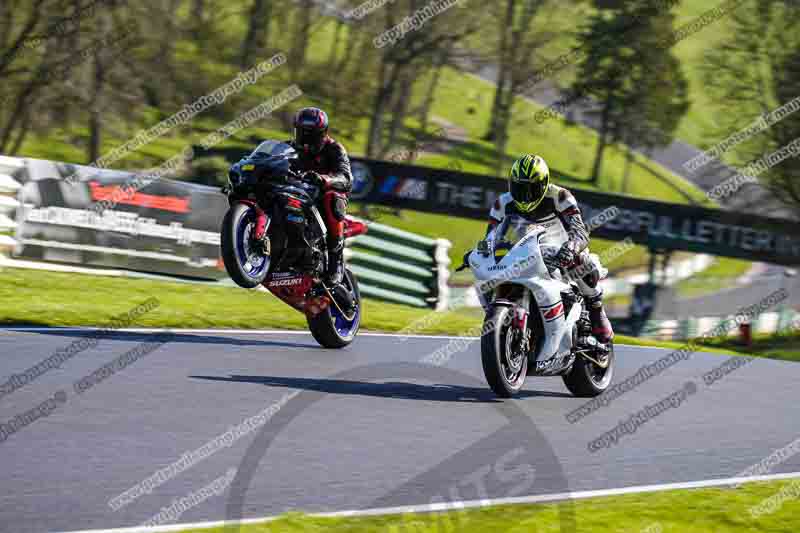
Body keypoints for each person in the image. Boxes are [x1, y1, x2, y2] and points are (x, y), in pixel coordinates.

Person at [480, 154, 614, 343]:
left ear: (544, 184)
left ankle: (595, 307)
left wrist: (572, 247)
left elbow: (580, 231)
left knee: (583, 262)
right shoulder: (502, 203)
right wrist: (479, 253)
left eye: (531, 189)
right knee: (488, 274)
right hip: (521, 253)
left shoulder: (560, 197)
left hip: (560, 250)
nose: (525, 195)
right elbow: (490, 237)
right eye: (519, 188)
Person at [286, 107, 353, 286]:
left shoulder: (335, 149)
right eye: (301, 133)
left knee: (332, 198)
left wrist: (325, 179)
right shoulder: (288, 147)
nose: (305, 139)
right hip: (295, 192)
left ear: (323, 133)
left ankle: (336, 259)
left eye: (311, 135)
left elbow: (346, 178)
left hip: (321, 196)